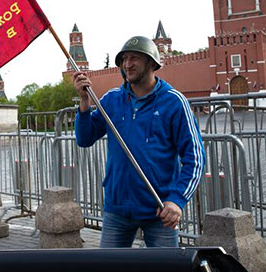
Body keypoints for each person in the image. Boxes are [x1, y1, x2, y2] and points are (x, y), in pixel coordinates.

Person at [72, 36, 205, 248]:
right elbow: (85, 139)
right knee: (107, 264)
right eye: (124, 59)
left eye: (134, 58)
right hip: (117, 209)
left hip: (160, 210)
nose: (127, 64)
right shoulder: (112, 100)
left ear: (151, 62)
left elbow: (195, 157)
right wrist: (84, 102)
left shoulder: (174, 102)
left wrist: (177, 200)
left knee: (165, 265)